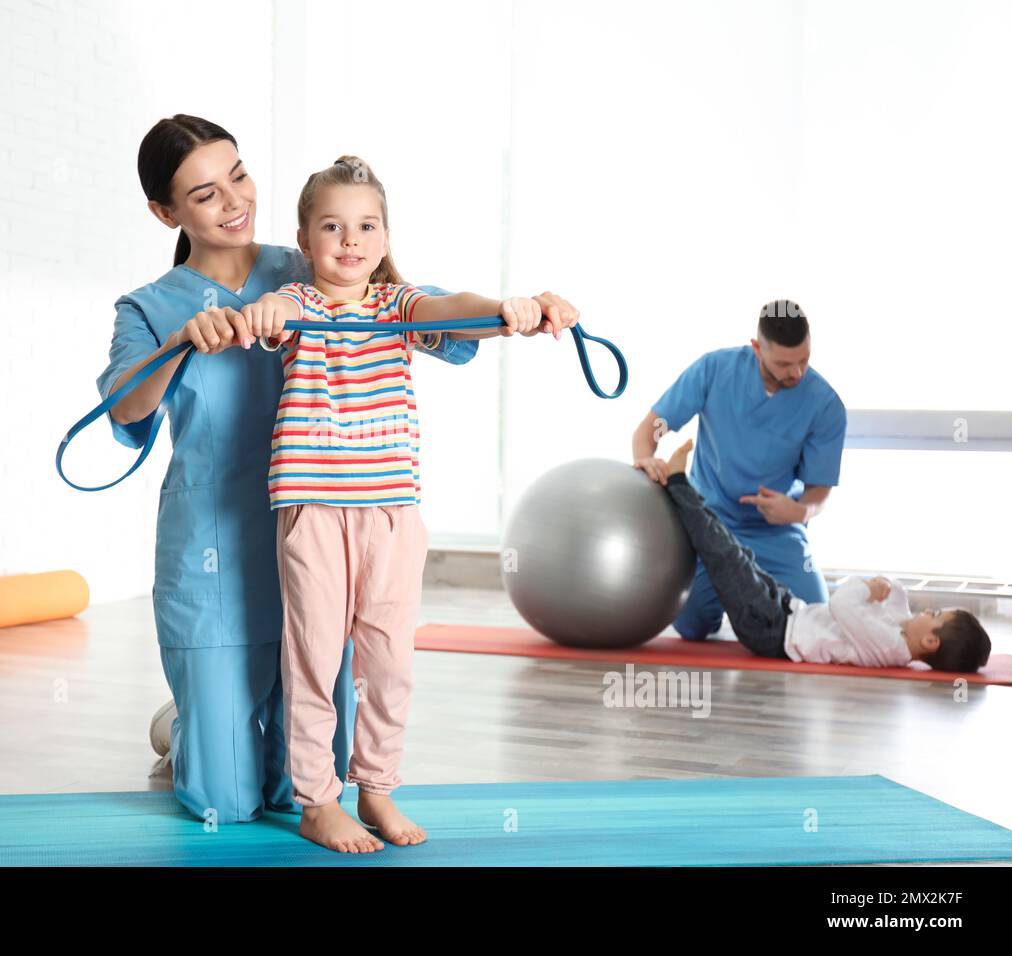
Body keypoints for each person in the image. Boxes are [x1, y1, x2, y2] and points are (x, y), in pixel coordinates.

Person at [95, 116, 481, 824]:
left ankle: (231, 728)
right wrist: (182, 344)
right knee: (225, 799)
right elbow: (125, 407)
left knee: (297, 781)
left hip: (326, 537)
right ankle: (188, 728)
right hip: (215, 552)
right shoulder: (148, 308)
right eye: (205, 194)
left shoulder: (308, 261)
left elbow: (420, 313)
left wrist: (514, 311)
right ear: (165, 212)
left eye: (238, 174)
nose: (235, 200)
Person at [239, 155, 580, 852]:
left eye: (366, 226)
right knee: (312, 658)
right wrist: (266, 308)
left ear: (386, 237)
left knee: (389, 661)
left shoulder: (399, 306)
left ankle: (378, 787)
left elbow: (451, 312)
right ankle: (316, 799)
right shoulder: (297, 306)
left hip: (392, 512)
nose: (350, 240)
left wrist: (510, 308)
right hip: (314, 508)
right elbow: (265, 318)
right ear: (306, 243)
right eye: (331, 227)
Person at [658, 439, 991, 671]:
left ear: (931, 641)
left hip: (771, 630)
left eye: (934, 615)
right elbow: (898, 598)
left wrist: (867, 587)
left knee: (726, 557)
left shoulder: (887, 645)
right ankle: (685, 497)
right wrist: (887, 586)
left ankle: (676, 484)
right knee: (737, 552)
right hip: (785, 610)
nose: (926, 612)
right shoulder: (902, 632)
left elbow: (843, 604)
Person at [632, 301, 847, 640]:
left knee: (816, 622)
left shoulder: (825, 405)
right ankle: (728, 606)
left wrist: (800, 510)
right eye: (784, 364)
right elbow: (652, 427)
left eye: (804, 360)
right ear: (757, 348)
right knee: (692, 626)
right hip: (709, 524)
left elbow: (820, 491)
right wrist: (645, 457)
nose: (797, 373)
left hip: (775, 532)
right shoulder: (714, 370)